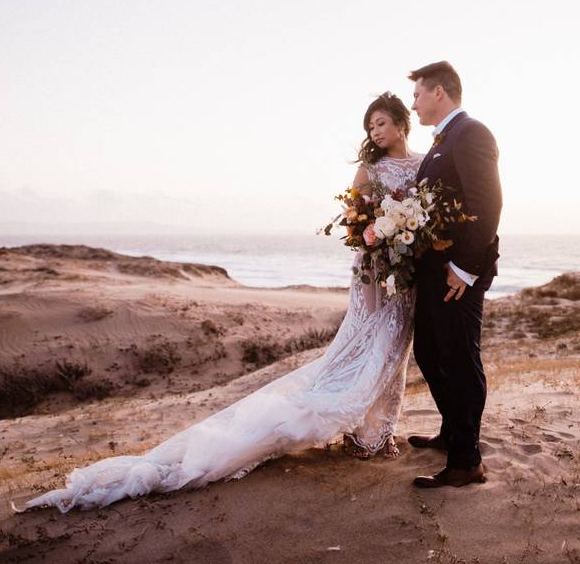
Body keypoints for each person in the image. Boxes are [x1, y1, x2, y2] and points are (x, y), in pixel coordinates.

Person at [21, 92, 424, 512]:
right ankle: (354, 430)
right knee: (366, 347)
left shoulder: (420, 164)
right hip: (372, 275)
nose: (374, 132)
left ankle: (377, 432)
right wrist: (378, 234)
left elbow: (425, 218)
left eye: (380, 124)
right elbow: (355, 224)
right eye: (369, 127)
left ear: (401, 124)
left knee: (395, 350)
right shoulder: (369, 169)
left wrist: (405, 238)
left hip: (405, 275)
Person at [406, 61, 502, 489]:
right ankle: (451, 432)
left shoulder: (472, 133)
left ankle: (467, 460)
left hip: (458, 274)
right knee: (428, 350)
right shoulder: (441, 142)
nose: (413, 103)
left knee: (461, 360)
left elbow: (488, 203)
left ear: (439, 92)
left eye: (418, 94)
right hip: (434, 270)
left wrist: (464, 269)